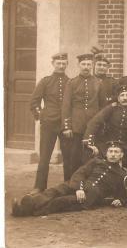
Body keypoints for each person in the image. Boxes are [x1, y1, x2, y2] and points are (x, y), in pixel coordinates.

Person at [11, 141, 127, 217]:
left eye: (116, 152)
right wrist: (79, 188)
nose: (113, 154)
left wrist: (120, 200)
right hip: (79, 186)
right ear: (107, 153)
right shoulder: (97, 161)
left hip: (89, 198)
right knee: (55, 190)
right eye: (110, 151)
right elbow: (80, 173)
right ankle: (29, 204)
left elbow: (122, 193)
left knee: (60, 201)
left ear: (121, 155)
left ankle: (25, 211)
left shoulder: (122, 174)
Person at [84, 85, 127, 176]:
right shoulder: (111, 108)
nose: (125, 98)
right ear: (118, 98)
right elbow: (94, 122)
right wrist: (89, 143)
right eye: (122, 95)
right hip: (110, 144)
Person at [29, 52, 70, 194]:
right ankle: (39, 186)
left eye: (63, 63)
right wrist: (41, 115)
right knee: (45, 156)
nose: (61, 66)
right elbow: (34, 101)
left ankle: (68, 186)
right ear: (53, 64)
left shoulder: (70, 82)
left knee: (68, 157)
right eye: (58, 63)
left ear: (67, 65)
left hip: (65, 124)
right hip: (49, 123)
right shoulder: (45, 81)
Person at [61, 53, 101, 180]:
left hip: (93, 124)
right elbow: (66, 106)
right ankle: (70, 183)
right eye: (83, 64)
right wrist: (67, 127)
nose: (86, 67)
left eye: (89, 64)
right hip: (76, 125)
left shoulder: (98, 82)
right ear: (79, 65)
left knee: (91, 156)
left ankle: (88, 183)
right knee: (73, 157)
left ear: (92, 65)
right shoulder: (72, 83)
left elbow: (102, 105)